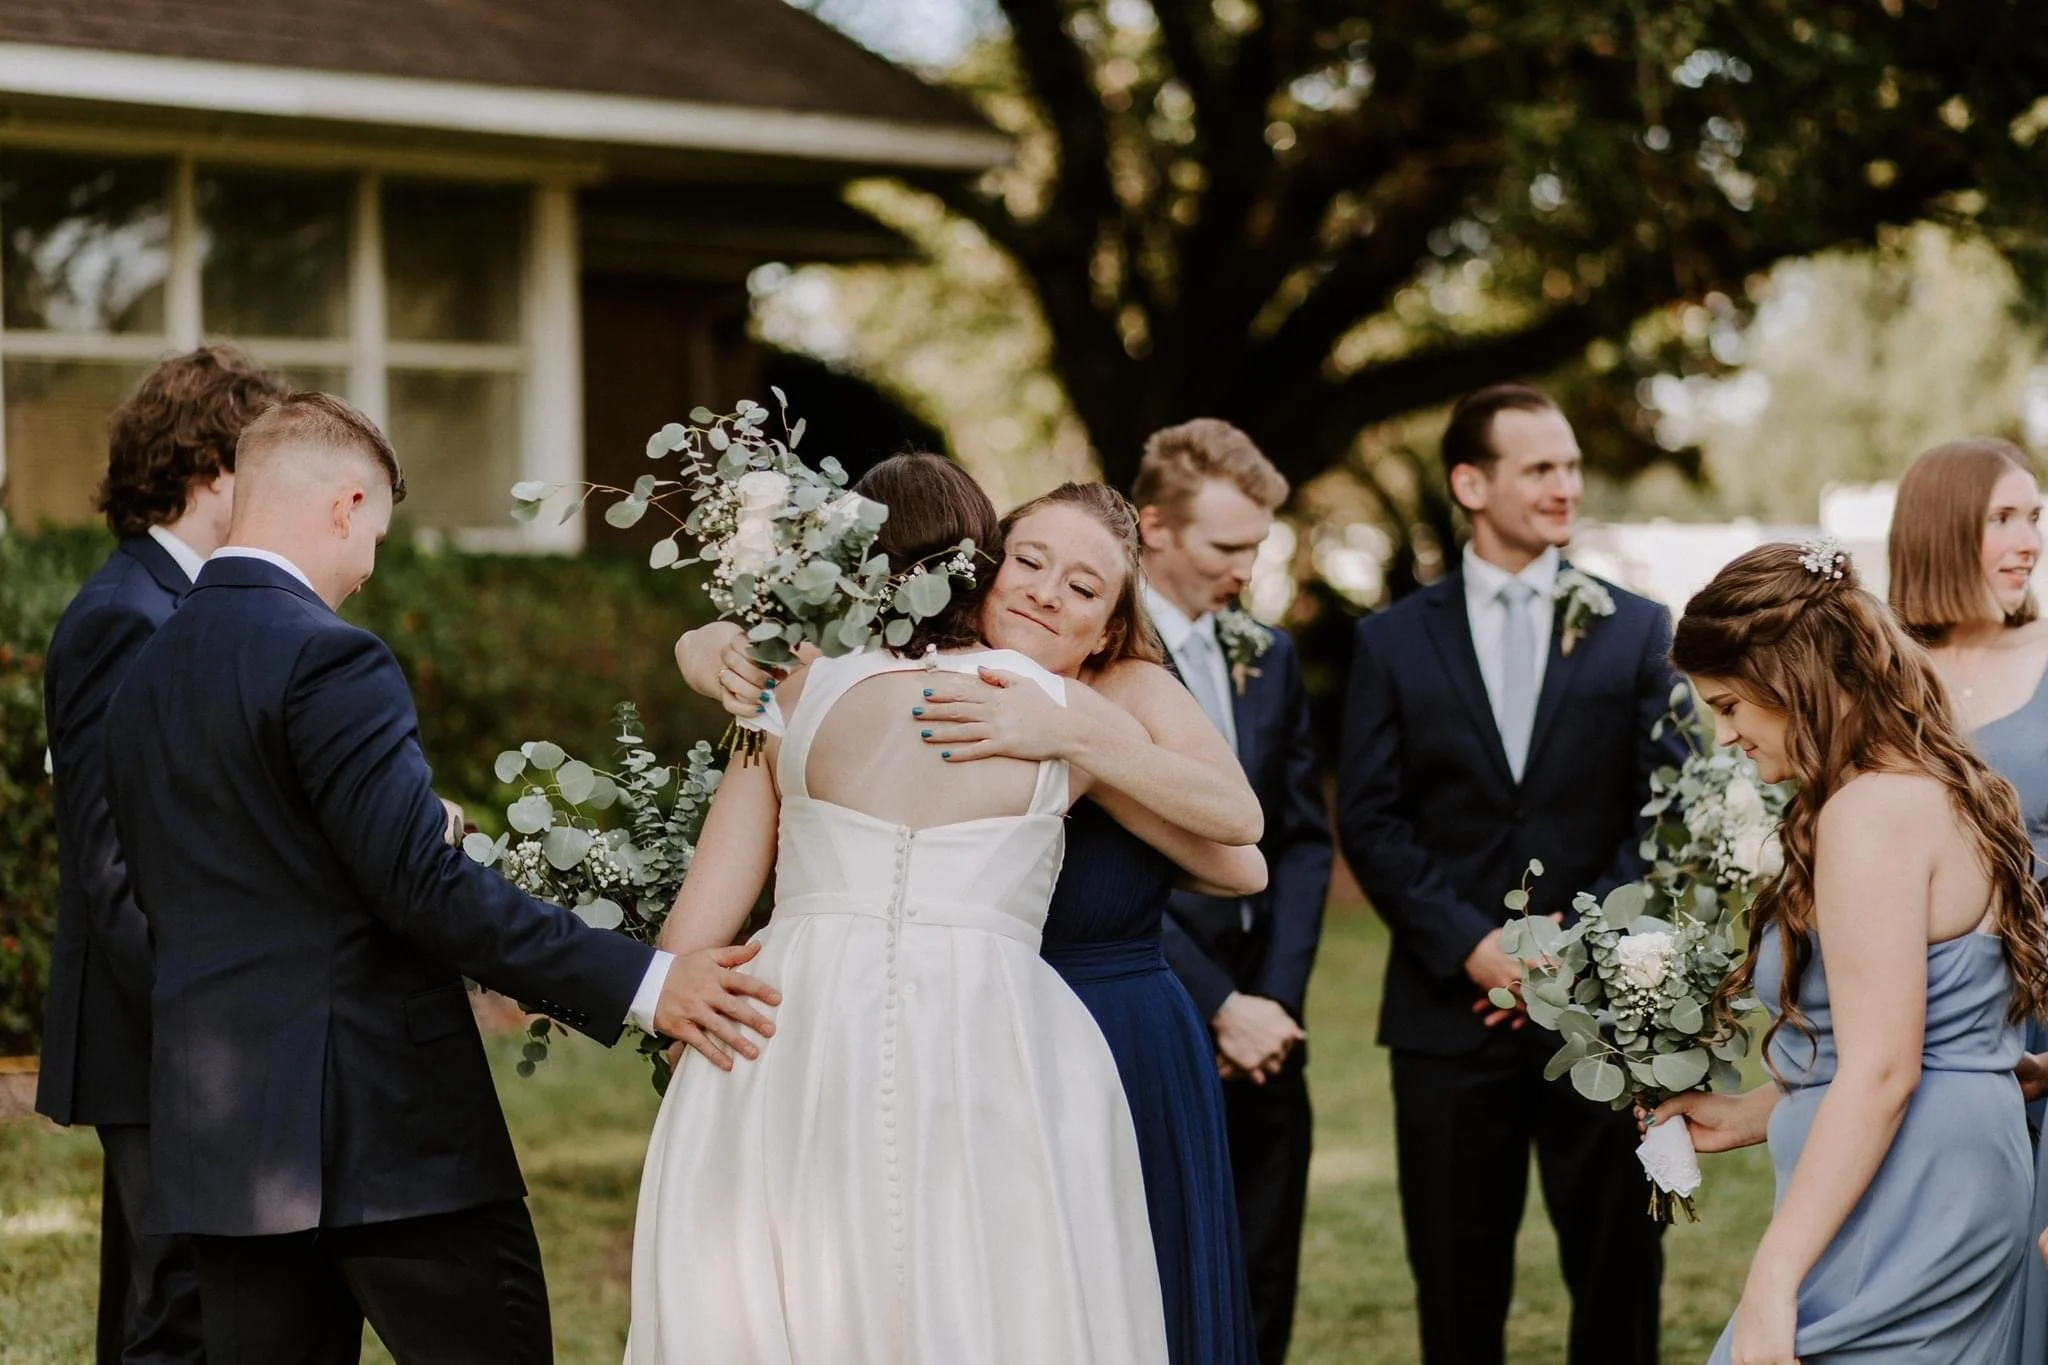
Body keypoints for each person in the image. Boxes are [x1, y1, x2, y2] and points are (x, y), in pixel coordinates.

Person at [101, 392, 776, 1364]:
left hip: (228, 1151)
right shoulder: (332, 658)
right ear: (344, 507)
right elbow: (421, 887)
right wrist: (649, 983)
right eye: (374, 532)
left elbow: (235, 872)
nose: (369, 567)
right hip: (388, 1138)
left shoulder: (144, 676)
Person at [632, 459, 1259, 1362]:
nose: (1044, 594)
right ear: (979, 561)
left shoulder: (802, 688)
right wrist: (711, 646)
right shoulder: (1054, 704)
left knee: (794, 1301)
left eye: (1080, 586)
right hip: (983, 1037)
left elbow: (688, 942)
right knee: (980, 1296)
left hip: (795, 1030)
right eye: (1027, 562)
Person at [1336, 383, 1680, 1365]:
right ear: (1469, 483)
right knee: (1454, 1285)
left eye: (1569, 465)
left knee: (1618, 1279)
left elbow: (1661, 815)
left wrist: (1570, 954)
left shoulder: (1635, 629)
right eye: (1538, 468)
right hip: (1448, 1018)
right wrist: (1474, 950)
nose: (1564, 485)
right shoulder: (1390, 640)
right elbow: (1369, 815)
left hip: (1604, 1012)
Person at [1653, 539, 2048, 1365]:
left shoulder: (1869, 813)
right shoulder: (1931, 784)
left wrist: (1773, 1278)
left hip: (1908, 1191)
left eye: (1730, 706)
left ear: (1792, 678)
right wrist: (1756, 1111)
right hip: (1950, 1167)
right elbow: (1931, 1035)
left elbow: (1883, 1070)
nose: (1723, 737)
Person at [34, 345, 289, 1365]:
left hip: (184, 1023)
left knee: (168, 1298)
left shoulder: (184, 603)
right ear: (208, 469)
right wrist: (203, 1016)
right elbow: (108, 859)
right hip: (155, 1028)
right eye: (262, 467)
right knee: (172, 1307)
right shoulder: (121, 617)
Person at [1133, 419, 1333, 1364]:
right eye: (1226, 547)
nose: (1244, 569)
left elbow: (1299, 836)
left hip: (1269, 1023)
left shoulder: (1267, 654)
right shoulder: (1096, 657)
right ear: (1153, 527)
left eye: (1256, 546)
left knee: (1264, 1267)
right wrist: (1217, 1003)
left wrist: (1274, 1002)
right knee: (1162, 1266)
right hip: (1156, 994)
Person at [1887, 438, 2048, 1359]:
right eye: (2004, 518)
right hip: (1924, 1011)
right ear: (1943, 528)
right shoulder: (1884, 671)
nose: (2029, 539)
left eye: (2034, 517)